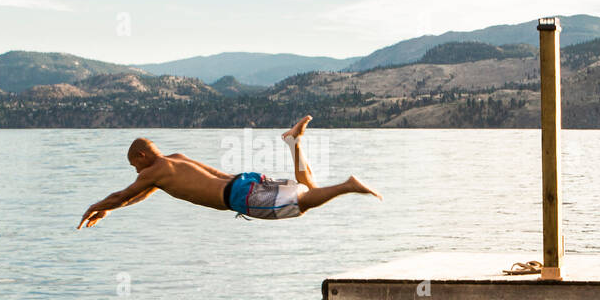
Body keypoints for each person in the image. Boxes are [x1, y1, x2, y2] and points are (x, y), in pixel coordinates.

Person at [77, 115, 379, 229]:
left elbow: (123, 194)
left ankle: (347, 185)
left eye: (134, 165)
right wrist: (113, 210)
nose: (136, 172)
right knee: (307, 189)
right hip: (244, 181)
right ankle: (293, 142)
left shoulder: (153, 171)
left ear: (141, 156)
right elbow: (136, 196)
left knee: (301, 206)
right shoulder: (174, 161)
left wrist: (96, 206)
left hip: (237, 196)